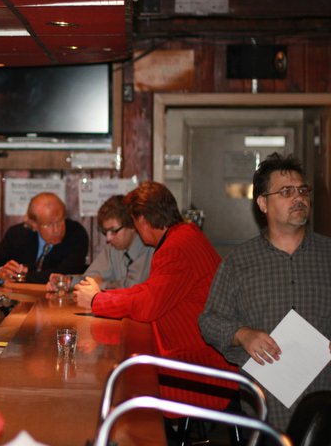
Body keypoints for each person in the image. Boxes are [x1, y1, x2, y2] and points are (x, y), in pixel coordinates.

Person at [74, 181, 237, 412]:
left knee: (117, 379)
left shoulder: (176, 247)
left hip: (198, 367)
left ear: (141, 220)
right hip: (202, 355)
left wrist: (96, 300)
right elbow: (149, 290)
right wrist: (102, 296)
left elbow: (148, 305)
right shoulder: (185, 235)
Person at [199, 153, 331, 430]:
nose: (298, 198)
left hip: (325, 400)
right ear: (263, 203)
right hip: (266, 405)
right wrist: (243, 335)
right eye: (286, 191)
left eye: (302, 190)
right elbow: (209, 320)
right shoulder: (239, 262)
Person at [0, 192, 89, 284]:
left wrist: (23, 275)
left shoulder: (76, 233)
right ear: (34, 224)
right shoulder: (18, 234)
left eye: (60, 221)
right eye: (49, 224)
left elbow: (65, 275)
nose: (57, 229)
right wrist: (1, 273)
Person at [48, 194, 153, 291]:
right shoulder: (113, 247)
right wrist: (66, 281)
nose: (108, 238)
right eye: (105, 232)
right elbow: (89, 279)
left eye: (113, 231)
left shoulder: (147, 247)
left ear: (132, 226)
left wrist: (102, 285)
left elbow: (133, 287)